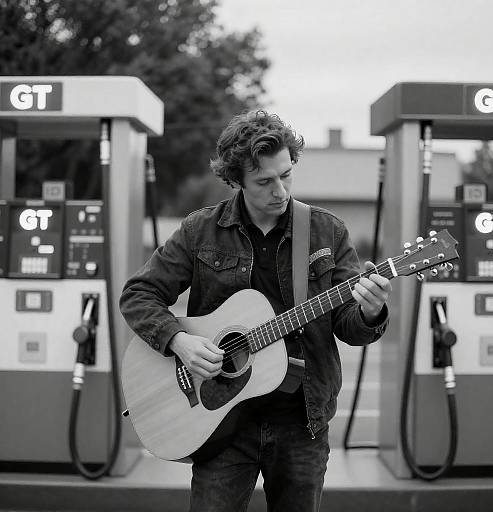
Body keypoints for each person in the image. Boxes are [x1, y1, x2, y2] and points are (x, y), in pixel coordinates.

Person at [119, 110, 392, 512]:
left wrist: (370, 311)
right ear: (236, 181)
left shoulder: (325, 232)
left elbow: (349, 327)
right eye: (264, 181)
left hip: (302, 423)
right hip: (220, 423)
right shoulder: (201, 231)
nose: (280, 190)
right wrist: (179, 341)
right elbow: (138, 293)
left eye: (286, 175)